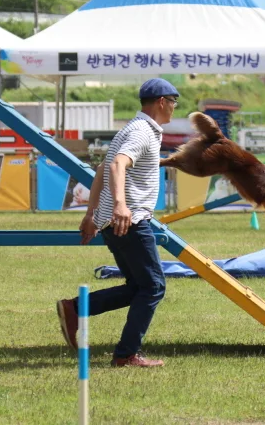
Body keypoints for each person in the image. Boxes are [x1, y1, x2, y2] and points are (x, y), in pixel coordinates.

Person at [56, 78, 180, 368]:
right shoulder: (143, 132)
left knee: (138, 286)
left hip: (113, 221)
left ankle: (75, 308)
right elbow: (115, 165)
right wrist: (121, 204)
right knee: (153, 287)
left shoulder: (130, 128)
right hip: (130, 220)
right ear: (162, 102)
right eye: (174, 102)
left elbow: (101, 168)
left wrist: (91, 213)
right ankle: (126, 355)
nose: (174, 108)